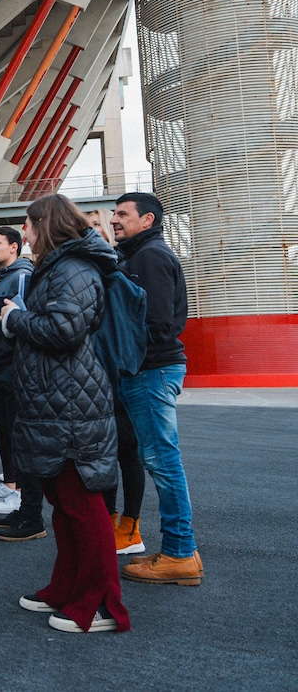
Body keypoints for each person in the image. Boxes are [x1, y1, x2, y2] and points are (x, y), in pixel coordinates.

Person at [0, 193, 130, 634]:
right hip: (59, 401)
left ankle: (102, 605)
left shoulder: (73, 268)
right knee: (63, 503)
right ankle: (67, 586)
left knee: (82, 504)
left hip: (71, 404)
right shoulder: (60, 267)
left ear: (46, 225)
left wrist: (15, 318)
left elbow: (64, 330)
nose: (24, 233)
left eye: (28, 224)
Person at [112, 192, 203, 585]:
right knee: (160, 459)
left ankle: (180, 553)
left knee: (162, 461)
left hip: (150, 372)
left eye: (121, 214)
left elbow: (159, 324)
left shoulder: (150, 257)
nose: (114, 219)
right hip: (148, 370)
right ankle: (181, 550)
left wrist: (127, 358)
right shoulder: (137, 255)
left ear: (146, 220)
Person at [86, 206, 147, 554]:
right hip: (99, 378)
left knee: (128, 452)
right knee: (105, 453)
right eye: (89, 226)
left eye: (98, 225)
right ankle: (109, 522)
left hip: (122, 375)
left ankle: (131, 527)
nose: (94, 230)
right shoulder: (92, 274)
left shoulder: (119, 273)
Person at [0, 227, 44, 542]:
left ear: (15, 247)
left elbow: (24, 324)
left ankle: (30, 512)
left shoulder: (21, 277)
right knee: (10, 436)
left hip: (15, 369)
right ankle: (22, 508)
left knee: (23, 441)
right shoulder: (1, 279)